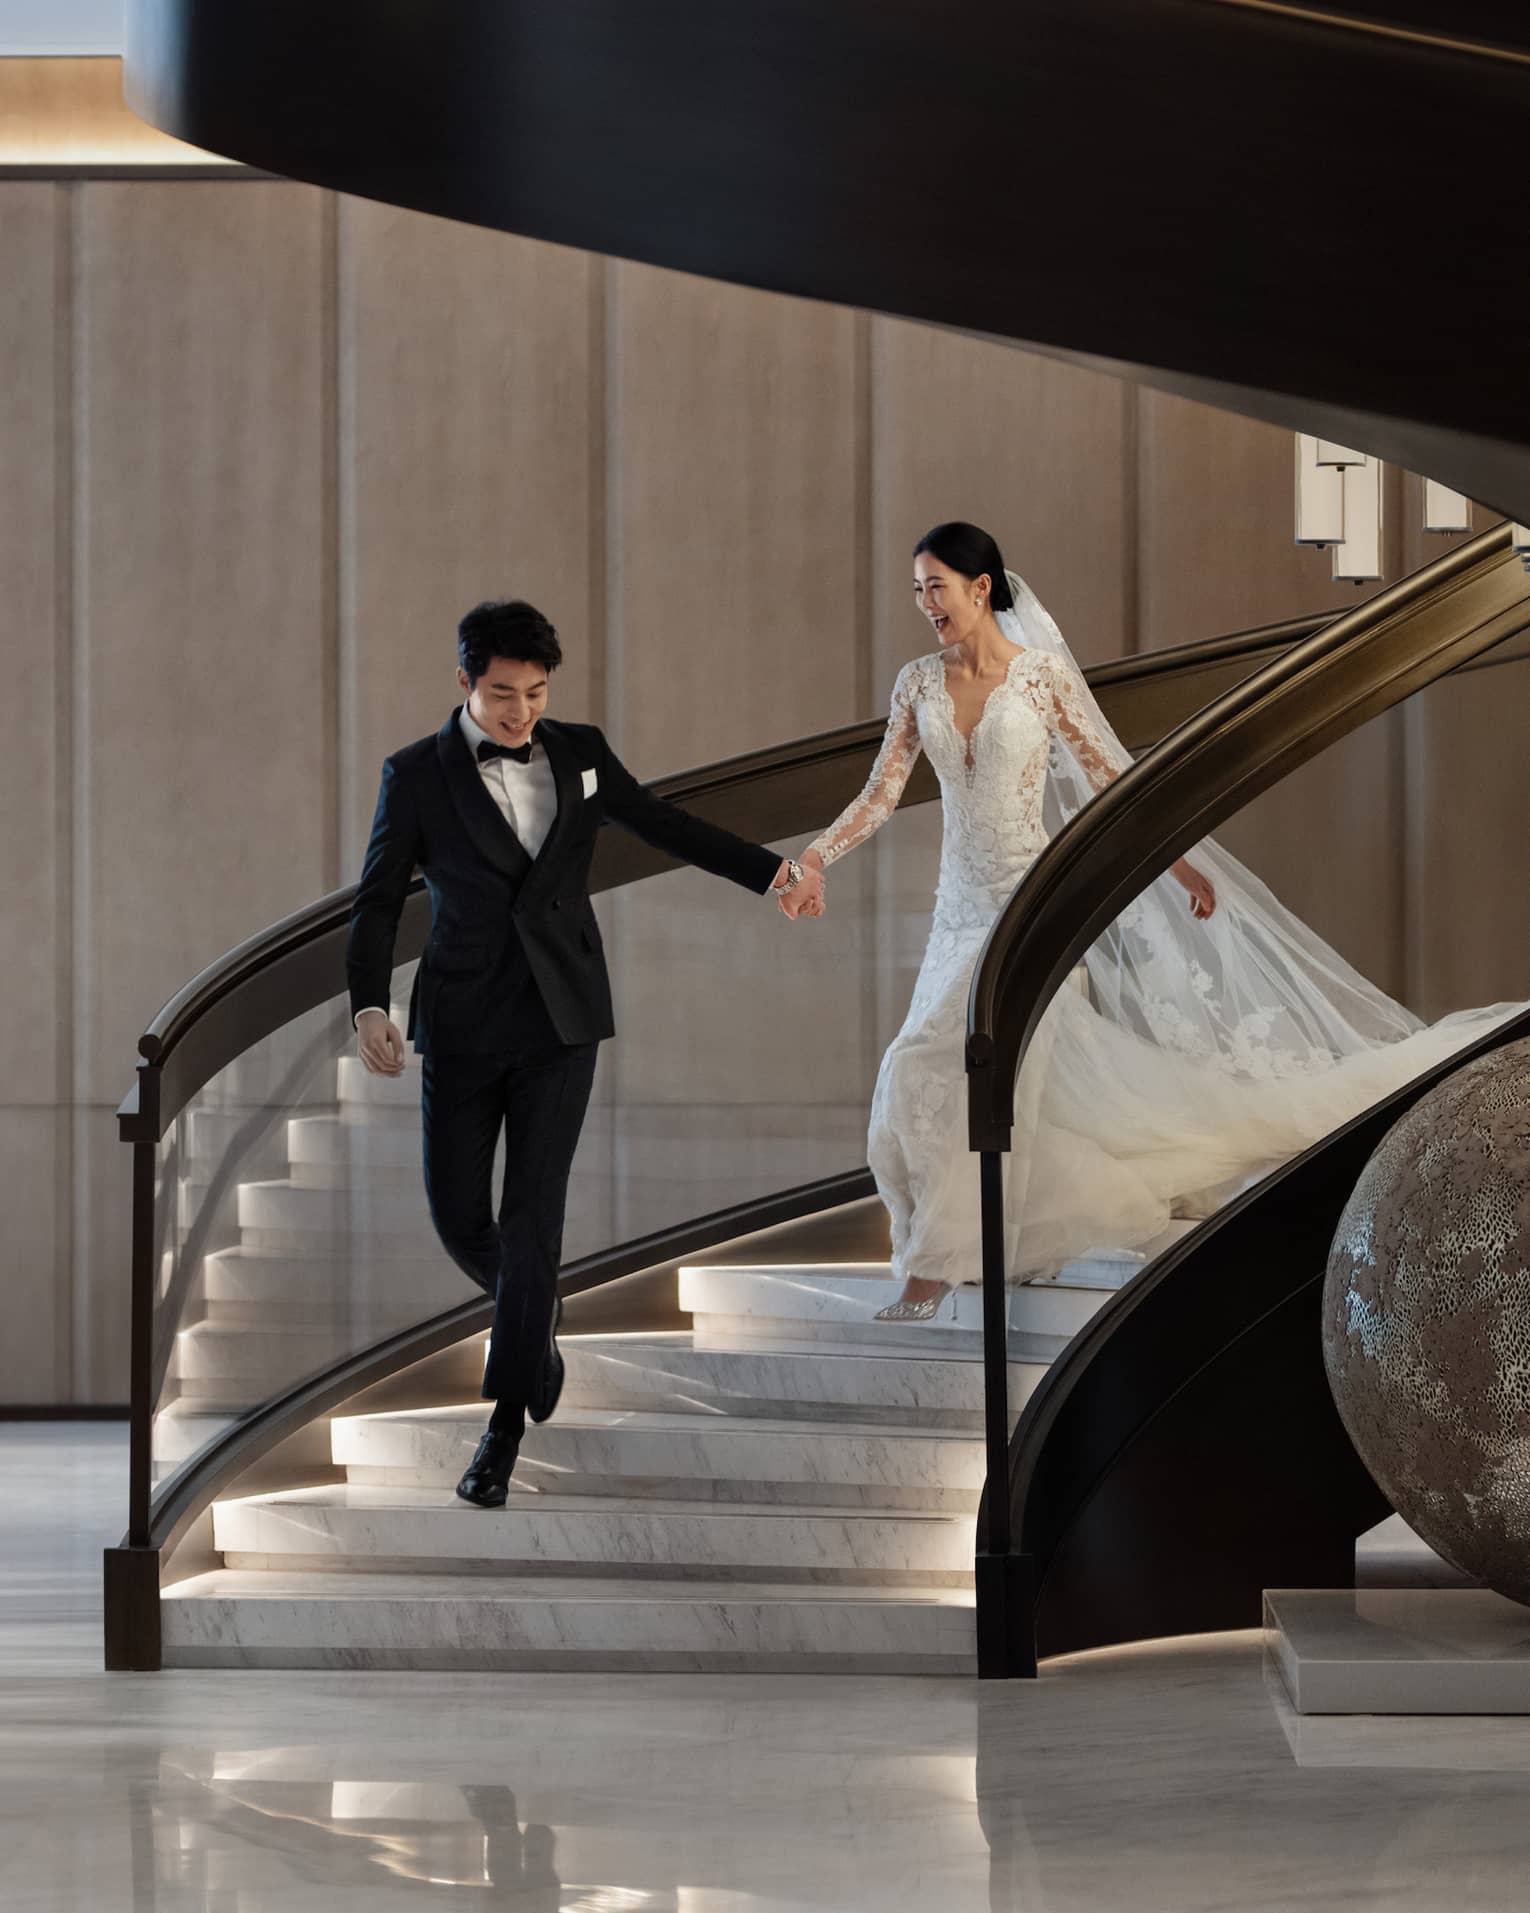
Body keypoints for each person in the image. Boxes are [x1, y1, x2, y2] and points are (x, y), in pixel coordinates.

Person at [795, 521, 1520, 1320]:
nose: (926, 602)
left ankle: (932, 1270)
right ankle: (982, 1241)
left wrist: (1178, 867)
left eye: (937, 585)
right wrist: (819, 857)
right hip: (954, 916)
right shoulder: (916, 684)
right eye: (917, 589)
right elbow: (880, 793)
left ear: (981, 586)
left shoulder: (1038, 679)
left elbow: (1111, 778)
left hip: (1029, 908)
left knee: (932, 1066)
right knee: (952, 1079)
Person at [347, 599, 822, 1502]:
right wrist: (369, 1003)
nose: (520, 712)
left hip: (563, 1021)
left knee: (533, 1219)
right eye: (501, 694)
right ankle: (534, 1312)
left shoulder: (581, 751)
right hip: (460, 1019)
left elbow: (665, 823)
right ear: (463, 682)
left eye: (534, 694)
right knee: (459, 1216)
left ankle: (500, 1430)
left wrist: (773, 875)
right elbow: (376, 901)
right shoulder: (414, 775)